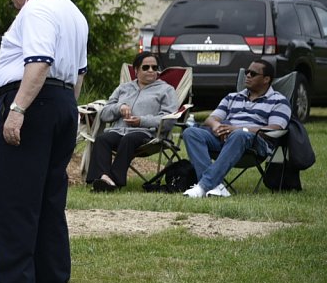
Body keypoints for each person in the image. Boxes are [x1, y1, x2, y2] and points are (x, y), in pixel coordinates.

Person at [0, 0, 88, 283]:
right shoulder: (72, 11)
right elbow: (78, 74)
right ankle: (51, 281)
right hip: (61, 102)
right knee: (49, 197)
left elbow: (39, 62)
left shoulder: (37, 9)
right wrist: (67, 111)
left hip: (34, 101)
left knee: (15, 197)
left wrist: (18, 109)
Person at [181, 59, 291, 198]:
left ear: (266, 79)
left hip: (256, 144)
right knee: (191, 132)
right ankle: (216, 186)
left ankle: (203, 186)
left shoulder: (279, 101)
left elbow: (274, 129)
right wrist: (217, 127)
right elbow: (211, 119)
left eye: (253, 73)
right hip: (225, 138)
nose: (248, 75)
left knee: (240, 134)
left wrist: (238, 129)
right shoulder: (233, 97)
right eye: (247, 72)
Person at [86, 51, 177, 191]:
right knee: (103, 139)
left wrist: (141, 121)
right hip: (118, 130)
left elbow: (169, 120)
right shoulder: (124, 88)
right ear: (136, 70)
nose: (151, 71)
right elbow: (104, 114)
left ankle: (114, 181)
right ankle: (103, 178)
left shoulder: (166, 90)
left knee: (128, 139)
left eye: (155, 67)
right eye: (146, 67)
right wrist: (119, 107)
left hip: (147, 133)